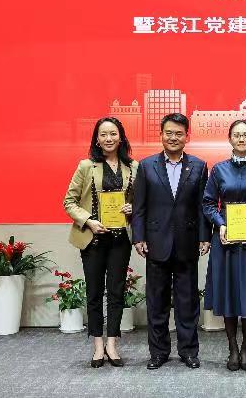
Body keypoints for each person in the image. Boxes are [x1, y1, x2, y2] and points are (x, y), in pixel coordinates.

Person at [131, 113, 211, 370]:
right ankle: (158, 352)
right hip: (156, 242)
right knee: (157, 301)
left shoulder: (199, 166)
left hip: (188, 242)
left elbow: (203, 206)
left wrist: (204, 236)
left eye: (179, 133)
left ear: (187, 136)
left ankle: (188, 351)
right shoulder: (146, 166)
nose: (173, 137)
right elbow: (139, 207)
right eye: (169, 133)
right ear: (161, 135)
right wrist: (138, 237)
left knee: (188, 302)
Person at [63, 117, 138, 368]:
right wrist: (89, 221)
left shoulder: (133, 167)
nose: (108, 138)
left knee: (116, 292)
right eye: (103, 134)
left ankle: (112, 344)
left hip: (120, 240)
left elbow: (139, 201)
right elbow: (69, 202)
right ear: (97, 139)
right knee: (94, 292)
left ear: (121, 137)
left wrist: (132, 207)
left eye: (113, 134)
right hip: (93, 239)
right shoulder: (86, 166)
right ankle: (97, 345)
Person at [202, 120, 246, 372]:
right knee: (229, 292)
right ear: (230, 139)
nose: (241, 139)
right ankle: (232, 348)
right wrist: (220, 224)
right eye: (237, 135)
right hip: (225, 240)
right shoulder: (219, 170)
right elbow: (208, 203)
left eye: (245, 135)